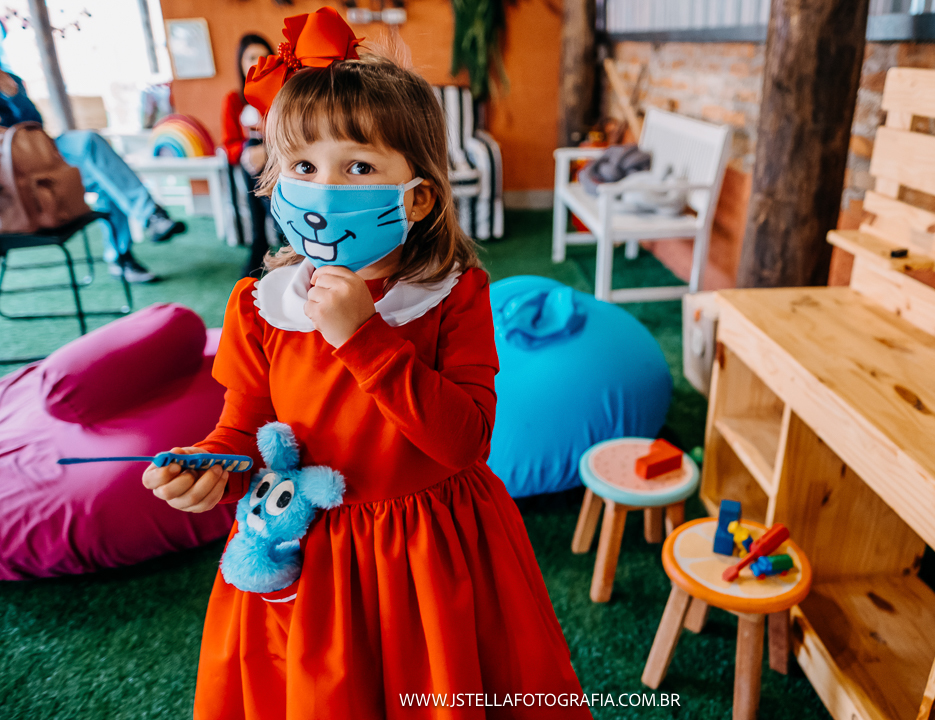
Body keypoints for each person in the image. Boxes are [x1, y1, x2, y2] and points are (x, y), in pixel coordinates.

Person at [141, 9, 590, 719]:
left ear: (416, 196)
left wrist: (363, 337)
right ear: (276, 180)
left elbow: (464, 441)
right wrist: (209, 467)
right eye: (303, 166)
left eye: (358, 166)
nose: (325, 188)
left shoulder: (452, 295)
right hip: (312, 557)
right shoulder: (260, 305)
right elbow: (243, 430)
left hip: (432, 555)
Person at [0, 70, 186, 283]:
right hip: (10, 174)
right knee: (106, 179)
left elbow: (34, 124)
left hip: (41, 152)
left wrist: (12, 94)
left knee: (89, 143)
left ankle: (150, 218)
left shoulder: (8, 77)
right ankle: (123, 254)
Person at [221, 33, 278, 278]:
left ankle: (261, 240)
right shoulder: (233, 99)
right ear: (241, 63)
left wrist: (268, 151)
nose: (258, 62)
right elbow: (229, 144)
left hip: (279, 160)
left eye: (264, 57)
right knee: (248, 149)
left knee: (259, 154)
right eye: (251, 57)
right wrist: (250, 152)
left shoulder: (281, 96)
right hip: (249, 166)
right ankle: (271, 233)